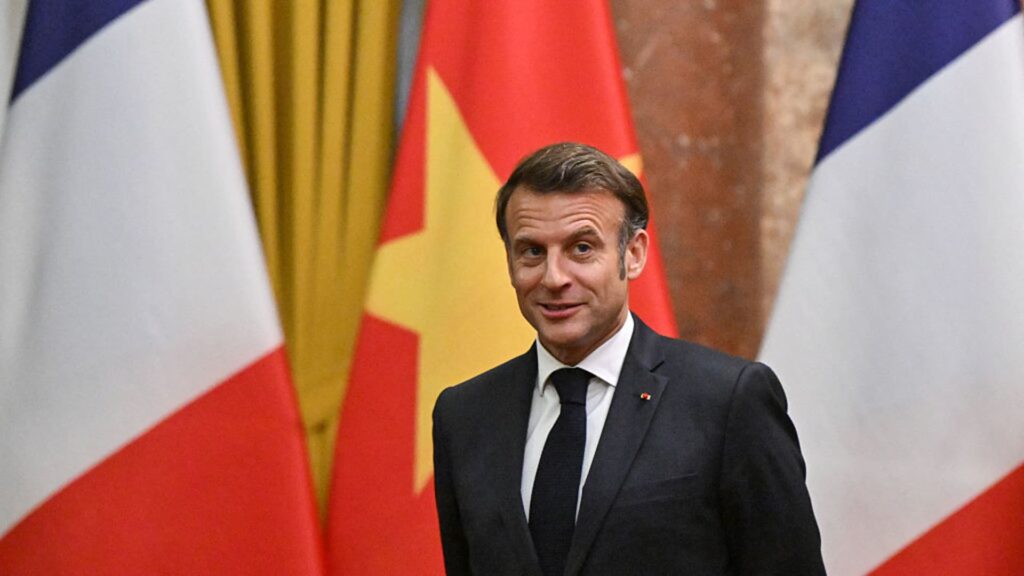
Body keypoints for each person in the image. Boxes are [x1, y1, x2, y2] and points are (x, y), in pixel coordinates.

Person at [432, 142, 825, 575]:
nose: (554, 277)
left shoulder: (728, 401)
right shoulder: (464, 415)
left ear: (633, 254)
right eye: (532, 251)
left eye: (582, 248)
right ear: (510, 262)